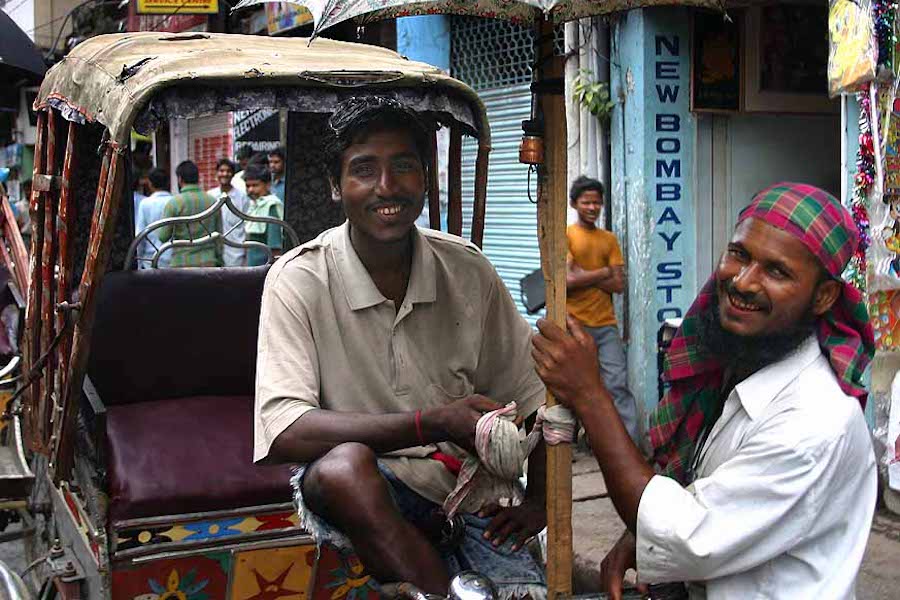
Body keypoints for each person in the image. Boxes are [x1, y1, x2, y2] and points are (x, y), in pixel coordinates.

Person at [254, 96, 547, 598]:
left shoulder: (467, 269)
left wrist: (539, 500)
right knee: (345, 467)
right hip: (364, 490)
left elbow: (535, 395)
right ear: (336, 186)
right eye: (364, 170)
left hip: (464, 490)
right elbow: (284, 431)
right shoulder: (299, 279)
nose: (386, 187)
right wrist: (431, 422)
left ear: (425, 179)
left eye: (404, 167)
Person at [532, 183, 876, 599]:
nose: (743, 282)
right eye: (739, 254)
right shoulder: (737, 365)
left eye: (777, 272)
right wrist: (638, 537)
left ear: (823, 297)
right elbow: (708, 495)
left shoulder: (814, 421)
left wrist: (591, 396)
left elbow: (685, 536)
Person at [565, 176, 638, 443]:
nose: (592, 207)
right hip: (574, 324)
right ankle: (570, 444)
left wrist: (584, 274)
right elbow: (566, 280)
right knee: (573, 386)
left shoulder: (609, 239)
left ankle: (629, 444)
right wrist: (604, 272)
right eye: (586, 202)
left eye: (597, 202)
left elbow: (618, 284)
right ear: (574, 204)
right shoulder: (567, 235)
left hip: (606, 325)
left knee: (617, 385)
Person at [157, 161, 222, 268]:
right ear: (198, 178)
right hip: (208, 262)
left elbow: (163, 236)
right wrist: (219, 260)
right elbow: (219, 235)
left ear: (180, 179)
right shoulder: (213, 201)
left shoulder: (174, 203)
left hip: (181, 262)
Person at [208, 158, 250, 267]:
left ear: (233, 174)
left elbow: (247, 225)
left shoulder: (242, 197)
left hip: (236, 252)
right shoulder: (210, 196)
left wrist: (246, 252)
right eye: (221, 171)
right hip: (213, 250)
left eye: (228, 171)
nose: (225, 174)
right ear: (216, 173)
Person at [243, 165, 284, 267]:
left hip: (264, 268)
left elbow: (275, 246)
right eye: (248, 186)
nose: (251, 189)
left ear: (267, 185)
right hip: (252, 268)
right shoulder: (254, 205)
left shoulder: (271, 205)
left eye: (255, 185)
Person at [135, 168, 173, 269]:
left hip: (150, 260)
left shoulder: (145, 203)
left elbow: (140, 235)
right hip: (172, 258)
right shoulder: (174, 201)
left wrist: (138, 262)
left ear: (150, 184)